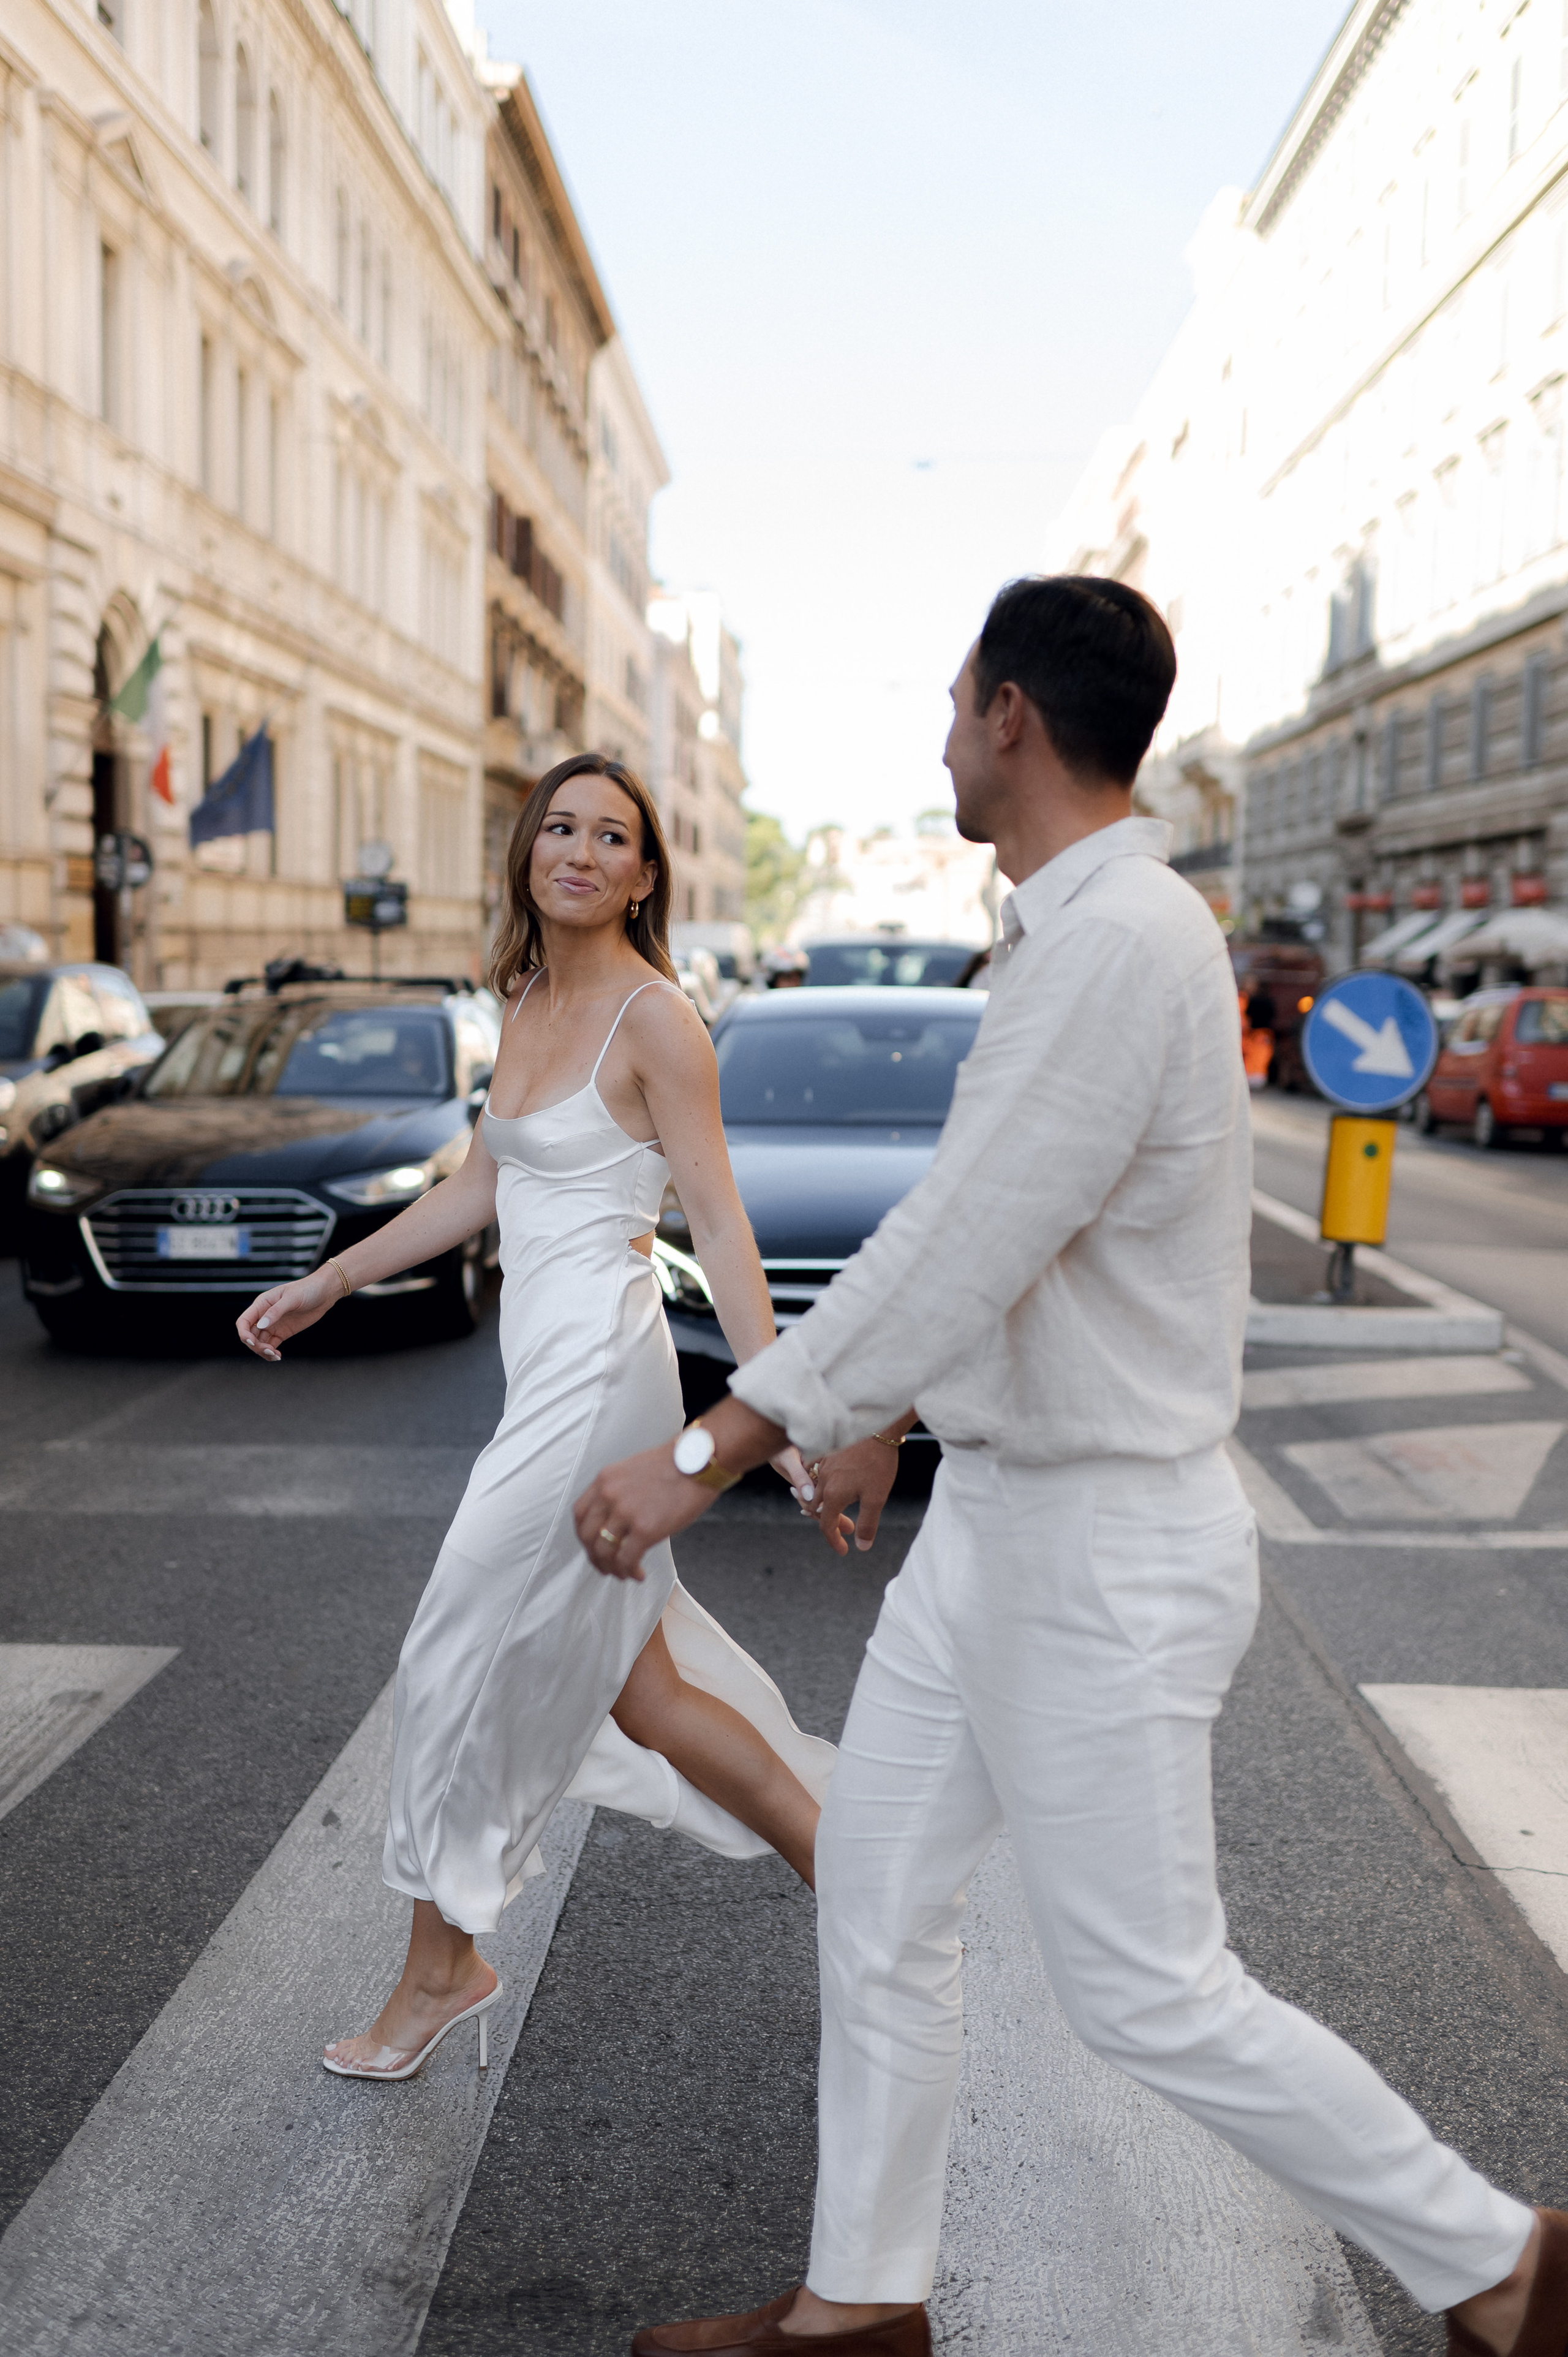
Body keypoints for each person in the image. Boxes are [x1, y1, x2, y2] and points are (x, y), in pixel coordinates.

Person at [575, 582, 1562, 2357]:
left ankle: (1502, 2266)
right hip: (1009, 1534)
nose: (944, 736)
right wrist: (888, 1410)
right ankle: (858, 2307)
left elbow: (973, 1226)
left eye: (957, 704)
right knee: (878, 1893)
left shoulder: (1121, 942)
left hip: (1102, 1553)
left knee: (1149, 1995)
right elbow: (1023, 1246)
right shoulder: (1067, 934)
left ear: (1015, 714)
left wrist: (730, 1434)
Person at [237, 753, 834, 2082]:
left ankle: (438, 1971)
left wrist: (775, 1403)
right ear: (527, 853)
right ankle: (858, 1888)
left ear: (642, 872)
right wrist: (332, 1276)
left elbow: (721, 1225)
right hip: (541, 1370)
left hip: (598, 1377)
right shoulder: (523, 997)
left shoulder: (655, 1021)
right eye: (556, 826)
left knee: (453, 1650)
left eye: (608, 834)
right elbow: (478, 1187)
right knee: (646, 1688)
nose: (576, 849)